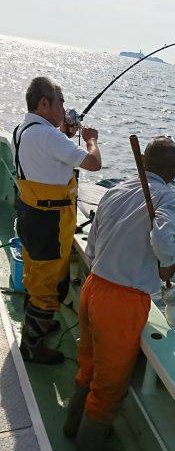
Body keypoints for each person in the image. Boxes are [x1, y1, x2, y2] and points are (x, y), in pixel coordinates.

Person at [63, 136, 175, 451]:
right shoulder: (170, 198)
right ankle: (88, 450)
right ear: (174, 172)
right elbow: (163, 238)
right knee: (109, 384)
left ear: (142, 162)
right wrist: (168, 264)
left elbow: (93, 243)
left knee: (88, 364)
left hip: (93, 287)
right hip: (122, 303)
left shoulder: (115, 190)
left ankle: (73, 425)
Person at [14, 76, 102, 364]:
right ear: (44, 103)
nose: (64, 110)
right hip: (49, 224)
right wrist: (90, 140)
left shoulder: (24, 129)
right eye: (60, 103)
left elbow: (49, 149)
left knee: (35, 275)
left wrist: (65, 132)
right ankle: (31, 347)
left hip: (31, 215)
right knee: (47, 284)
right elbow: (93, 163)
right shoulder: (49, 136)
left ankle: (36, 324)